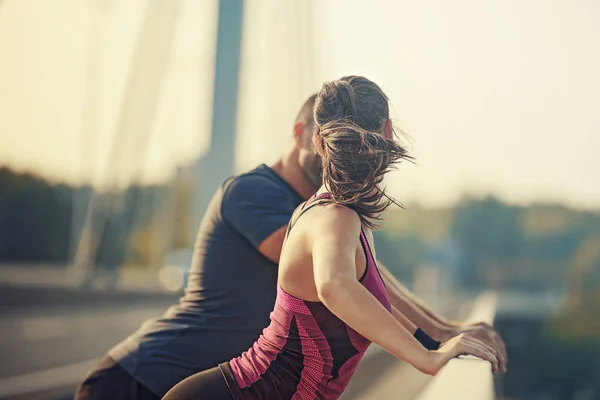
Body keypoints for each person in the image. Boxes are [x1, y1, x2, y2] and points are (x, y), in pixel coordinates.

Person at [75, 87, 506, 400]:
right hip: (145, 377)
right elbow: (339, 284)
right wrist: (428, 352)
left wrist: (443, 332)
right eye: (337, 141)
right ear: (307, 135)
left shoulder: (326, 213)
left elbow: (367, 280)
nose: (338, 153)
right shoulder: (260, 196)